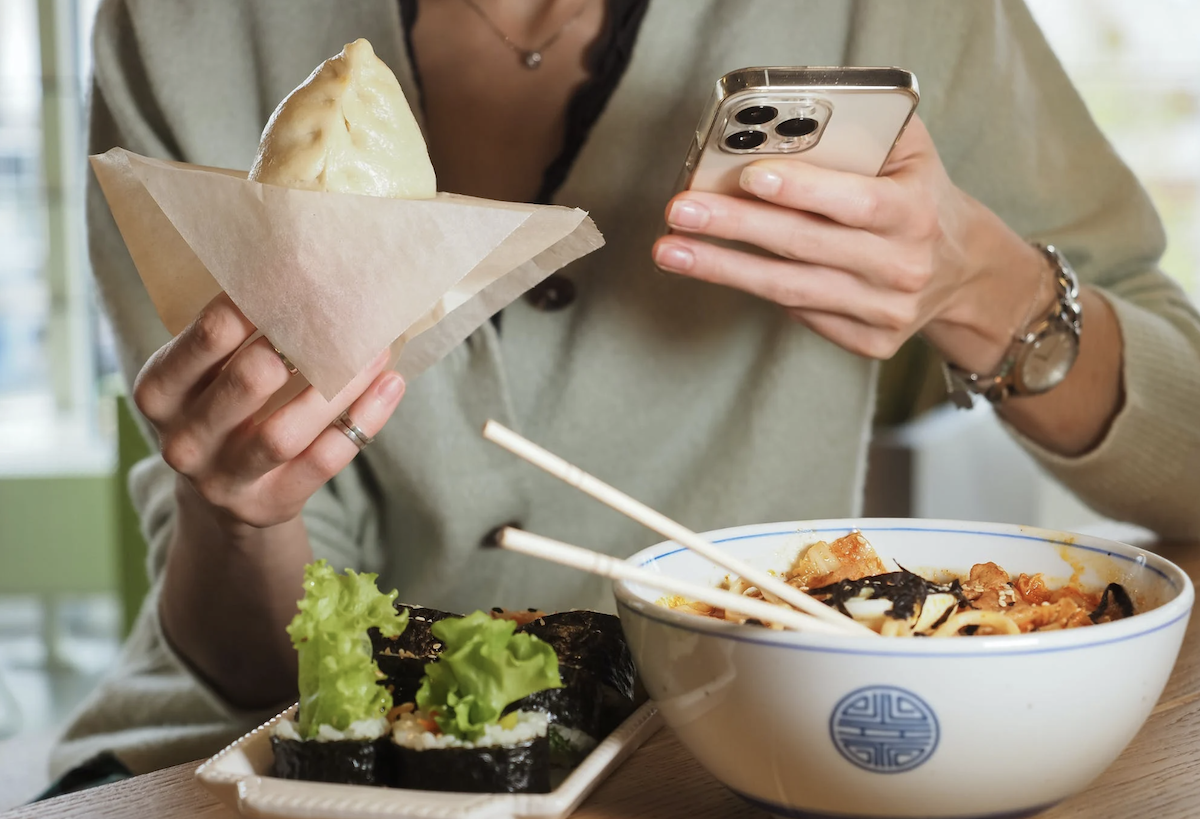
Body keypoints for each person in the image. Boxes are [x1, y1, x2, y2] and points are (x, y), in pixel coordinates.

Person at [52, 0, 1200, 781]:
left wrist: (984, 290)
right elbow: (256, 669)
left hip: (738, 756)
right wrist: (233, 505)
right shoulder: (186, 25)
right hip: (247, 764)